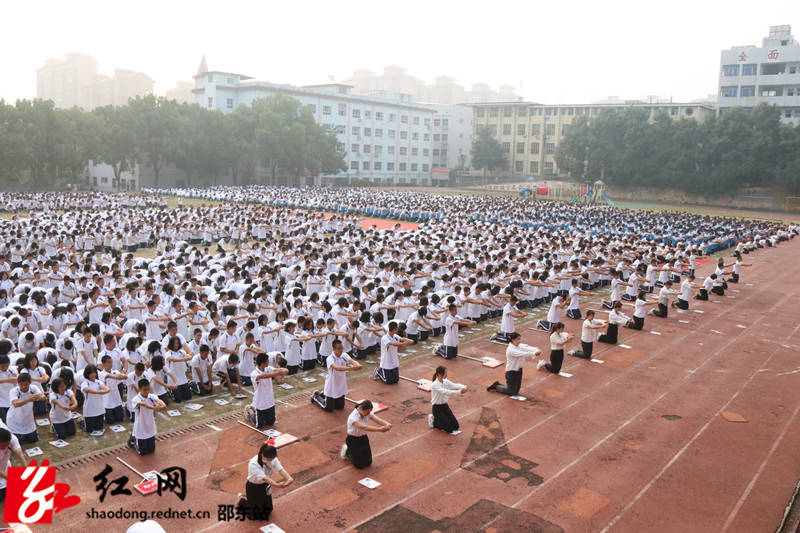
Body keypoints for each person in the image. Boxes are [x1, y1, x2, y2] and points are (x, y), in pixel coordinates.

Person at [237, 444, 293, 522]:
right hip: (253, 487)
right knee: (253, 515)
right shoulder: (253, 464)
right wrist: (277, 485)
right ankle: (242, 501)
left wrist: (289, 478)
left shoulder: (273, 458)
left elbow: (280, 469)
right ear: (262, 455)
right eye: (269, 458)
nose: (271, 460)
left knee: (268, 510)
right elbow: (265, 478)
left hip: (265, 485)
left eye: (273, 458)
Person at [312, 339, 362, 412]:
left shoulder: (344, 355)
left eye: (342, 348)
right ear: (334, 349)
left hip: (341, 385)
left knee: (340, 407)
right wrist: (352, 368)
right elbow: (336, 368)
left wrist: (358, 365)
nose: (341, 350)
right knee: (328, 408)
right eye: (338, 349)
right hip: (331, 386)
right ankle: (316, 397)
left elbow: (352, 361)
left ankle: (324, 394)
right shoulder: (330, 358)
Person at [340, 399, 391, 469]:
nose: (369, 413)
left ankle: (353, 452)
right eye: (367, 412)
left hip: (363, 438)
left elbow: (377, 419)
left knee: (368, 462)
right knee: (359, 466)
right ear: (361, 409)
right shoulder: (353, 417)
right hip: (353, 440)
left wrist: (387, 424)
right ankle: (347, 451)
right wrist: (380, 430)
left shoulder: (367, 413)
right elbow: (364, 427)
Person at [245, 352, 288, 429]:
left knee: (271, 422)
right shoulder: (254, 373)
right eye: (267, 361)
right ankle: (250, 410)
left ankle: (263, 416)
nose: (269, 362)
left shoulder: (268, 368)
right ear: (263, 363)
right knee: (259, 425)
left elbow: (283, 370)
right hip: (260, 403)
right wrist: (276, 373)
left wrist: (282, 370)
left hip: (269, 401)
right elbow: (262, 376)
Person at [130, 378, 166, 455]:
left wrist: (163, 405)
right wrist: (155, 408)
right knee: (143, 453)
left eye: (148, 389)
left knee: (151, 450)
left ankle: (134, 438)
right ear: (139, 389)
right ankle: (133, 440)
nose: (147, 392)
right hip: (140, 427)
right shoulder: (136, 399)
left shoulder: (151, 396)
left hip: (150, 426)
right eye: (144, 390)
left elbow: (158, 400)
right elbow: (144, 404)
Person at [6, 373, 44, 443]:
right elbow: (16, 404)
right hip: (14, 420)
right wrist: (29, 399)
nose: (23, 387)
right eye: (21, 384)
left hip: (28, 419)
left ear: (30, 383)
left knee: (33, 440)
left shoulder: (33, 388)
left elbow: (43, 397)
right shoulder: (14, 391)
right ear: (18, 383)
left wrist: (40, 397)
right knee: (16, 442)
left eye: (26, 384)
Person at [428, 366, 466, 434]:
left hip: (445, 406)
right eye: (445, 373)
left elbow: (454, 385)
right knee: (449, 429)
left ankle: (439, 420)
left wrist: (464, 387)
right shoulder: (435, 384)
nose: (446, 374)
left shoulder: (445, 381)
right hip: (437, 408)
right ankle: (434, 422)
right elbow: (446, 391)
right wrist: (459, 392)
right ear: (439, 374)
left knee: (456, 426)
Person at [81, 364, 110, 432]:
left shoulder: (99, 382)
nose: (93, 374)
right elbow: (88, 390)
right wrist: (99, 392)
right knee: (89, 430)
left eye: (94, 372)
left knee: (99, 428)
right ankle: (82, 422)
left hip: (99, 409)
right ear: (87, 374)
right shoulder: (85, 383)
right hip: (89, 410)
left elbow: (107, 389)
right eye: (91, 373)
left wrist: (104, 390)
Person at [0, 426, 24, 502]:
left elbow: (20, 454)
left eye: (8, 444)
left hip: (5, 465)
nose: (6, 446)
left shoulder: (12, 438)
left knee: (12, 492)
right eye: (3, 445)